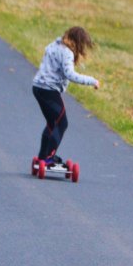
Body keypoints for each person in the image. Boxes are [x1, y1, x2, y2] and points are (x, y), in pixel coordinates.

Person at [32, 26, 100, 164]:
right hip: (49, 90)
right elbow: (70, 74)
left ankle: (42, 157)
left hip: (38, 87)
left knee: (52, 124)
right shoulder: (67, 52)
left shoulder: (53, 45)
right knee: (62, 123)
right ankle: (49, 157)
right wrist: (92, 81)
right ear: (78, 42)